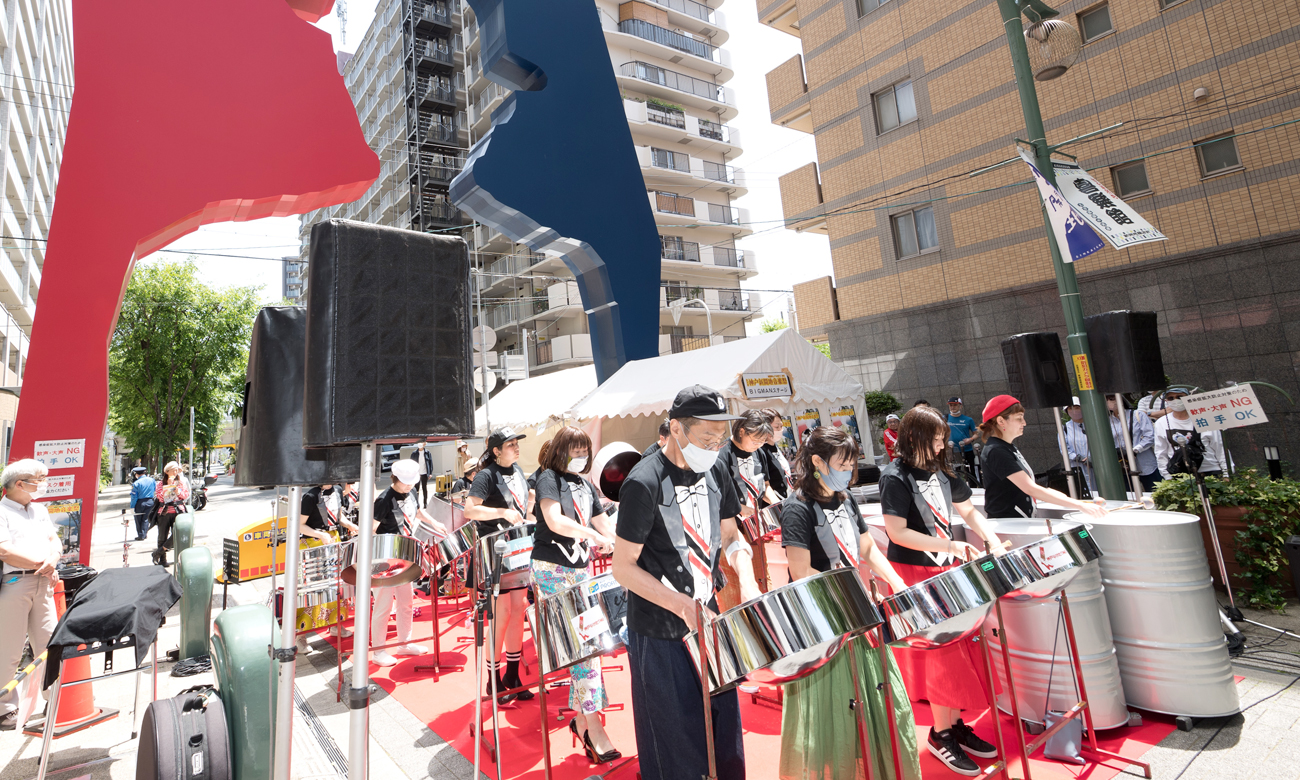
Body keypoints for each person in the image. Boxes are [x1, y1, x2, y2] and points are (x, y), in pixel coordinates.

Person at [612, 384, 761, 780]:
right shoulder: (642, 483)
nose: (714, 446)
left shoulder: (717, 470)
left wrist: (746, 580)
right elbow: (622, 568)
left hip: (708, 618)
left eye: (719, 437)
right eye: (706, 437)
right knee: (674, 747)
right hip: (659, 631)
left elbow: (731, 536)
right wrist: (679, 605)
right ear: (676, 429)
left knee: (724, 733)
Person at [779, 427, 921, 780]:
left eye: (851, 463)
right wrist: (849, 596)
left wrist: (897, 582)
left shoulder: (845, 499)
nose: (849, 470)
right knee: (835, 710)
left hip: (860, 614)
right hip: (826, 620)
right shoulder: (797, 508)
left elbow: (868, 549)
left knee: (880, 699)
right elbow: (800, 571)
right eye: (842, 463)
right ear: (817, 462)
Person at [880, 407, 1005, 776]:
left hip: (942, 568)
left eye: (942, 438)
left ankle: (952, 726)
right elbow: (896, 532)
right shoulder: (894, 476)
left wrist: (993, 540)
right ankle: (940, 734)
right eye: (935, 438)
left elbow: (968, 511)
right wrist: (950, 546)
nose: (941, 444)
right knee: (938, 654)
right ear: (913, 436)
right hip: (912, 570)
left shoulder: (944, 470)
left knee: (960, 646)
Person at [530, 426, 621, 762]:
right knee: (584, 646)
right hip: (552, 571)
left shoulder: (585, 484)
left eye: (585, 450)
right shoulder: (548, 478)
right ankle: (592, 726)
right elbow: (554, 521)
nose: (581, 456)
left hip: (580, 572)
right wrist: (592, 536)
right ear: (561, 451)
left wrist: (617, 540)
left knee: (588, 646)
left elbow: (603, 524)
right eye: (575, 450)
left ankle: (584, 722)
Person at [464, 426, 535, 703]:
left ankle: (513, 674)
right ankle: (493, 679)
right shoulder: (485, 475)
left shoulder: (517, 471)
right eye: (510, 444)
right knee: (501, 614)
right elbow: (471, 509)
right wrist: (503, 512)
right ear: (496, 451)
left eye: (517, 443)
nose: (516, 448)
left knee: (518, 610)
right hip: (494, 550)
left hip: (518, 548)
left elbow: (522, 506)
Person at [980, 395, 1109, 521]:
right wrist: (1080, 505)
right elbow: (1030, 488)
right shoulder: (996, 450)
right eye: (1019, 418)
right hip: (1008, 525)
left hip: (1017, 522)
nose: (1024, 423)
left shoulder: (1006, 447)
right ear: (1001, 421)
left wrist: (1073, 502)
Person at [0, 460, 60, 731]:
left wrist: (54, 558)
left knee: (50, 644)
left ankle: (54, 697)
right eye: (39, 478)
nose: (43, 483)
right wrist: (41, 564)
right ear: (19, 483)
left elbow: (54, 540)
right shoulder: (2, 511)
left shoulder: (39, 509)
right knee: (8, 649)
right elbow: (5, 551)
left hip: (43, 583)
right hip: (14, 583)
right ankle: (5, 708)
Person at [369, 459, 442, 666]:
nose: (409, 486)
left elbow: (418, 511)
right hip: (384, 557)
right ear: (395, 478)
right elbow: (371, 529)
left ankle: (405, 643)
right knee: (383, 604)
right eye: (405, 482)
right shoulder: (383, 500)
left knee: (406, 601)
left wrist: (435, 523)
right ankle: (378, 651)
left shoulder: (412, 492)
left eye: (412, 482)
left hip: (405, 555)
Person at [719, 409, 781, 519]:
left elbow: (765, 485)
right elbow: (719, 494)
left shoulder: (759, 452)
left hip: (756, 518)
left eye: (762, 441)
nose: (758, 445)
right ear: (741, 432)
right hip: (732, 521)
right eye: (755, 440)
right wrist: (739, 508)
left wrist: (775, 502)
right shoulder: (722, 454)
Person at [1153, 390, 1228, 479]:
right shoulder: (1161, 422)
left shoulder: (1206, 419)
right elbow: (1161, 451)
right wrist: (1167, 476)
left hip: (1210, 471)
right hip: (1180, 473)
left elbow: (1219, 447)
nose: (1175, 400)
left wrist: (1226, 474)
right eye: (1171, 398)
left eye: (1180, 397)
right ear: (1166, 401)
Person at [1107, 397, 1158, 491]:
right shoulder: (1108, 421)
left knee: (1154, 493)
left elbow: (1150, 436)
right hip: (1123, 466)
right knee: (1130, 496)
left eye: (1112, 399)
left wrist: (1135, 450)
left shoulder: (1138, 415)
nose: (1109, 402)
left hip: (1145, 463)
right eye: (1106, 400)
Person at [153, 461, 190, 564]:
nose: (175, 473)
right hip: (164, 511)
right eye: (173, 471)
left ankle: (159, 552)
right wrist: (169, 486)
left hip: (178, 511)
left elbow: (186, 495)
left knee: (178, 533)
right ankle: (162, 560)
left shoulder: (180, 482)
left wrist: (178, 491)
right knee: (162, 536)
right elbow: (161, 498)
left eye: (177, 471)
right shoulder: (160, 483)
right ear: (167, 472)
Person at [1061, 398, 1095, 494]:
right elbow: (1064, 449)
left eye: (1076, 407)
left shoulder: (1093, 425)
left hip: (1095, 466)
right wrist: (1079, 458)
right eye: (1070, 409)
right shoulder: (1065, 428)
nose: (1074, 411)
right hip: (1077, 466)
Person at [759, 408, 794, 499]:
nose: (780, 430)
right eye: (776, 427)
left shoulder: (776, 447)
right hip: (774, 503)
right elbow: (764, 484)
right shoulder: (760, 451)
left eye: (781, 426)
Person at [946, 398, 979, 480]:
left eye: (955, 405)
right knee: (954, 472)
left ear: (960, 406)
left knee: (970, 471)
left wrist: (970, 439)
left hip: (967, 449)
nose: (952, 407)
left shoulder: (968, 419)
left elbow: (976, 434)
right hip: (952, 451)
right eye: (951, 405)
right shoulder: (945, 418)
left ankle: (974, 486)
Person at [129, 467, 156, 541]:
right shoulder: (152, 480)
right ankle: (144, 534)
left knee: (138, 519)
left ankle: (141, 535)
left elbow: (134, 497)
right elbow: (155, 490)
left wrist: (132, 506)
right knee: (146, 519)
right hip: (150, 501)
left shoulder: (136, 483)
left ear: (136, 474)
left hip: (140, 502)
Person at [411, 441, 433, 507]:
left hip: (424, 473)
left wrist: (430, 473)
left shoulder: (427, 452)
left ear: (424, 444)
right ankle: (416, 503)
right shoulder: (414, 453)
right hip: (416, 473)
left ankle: (425, 503)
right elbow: (411, 463)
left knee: (424, 488)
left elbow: (430, 463)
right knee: (416, 489)